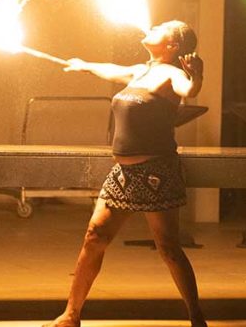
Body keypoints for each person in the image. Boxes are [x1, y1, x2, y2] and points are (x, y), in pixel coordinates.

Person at [45, 20, 206, 327]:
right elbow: (110, 68)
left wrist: (198, 76)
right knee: (95, 236)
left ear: (173, 46)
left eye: (162, 28)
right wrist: (83, 64)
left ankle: (197, 317)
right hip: (123, 172)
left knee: (169, 248)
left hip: (155, 171)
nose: (154, 26)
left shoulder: (173, 74)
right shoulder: (139, 71)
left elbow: (190, 89)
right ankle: (71, 314)